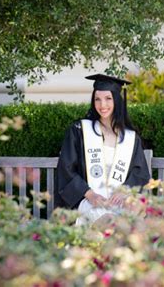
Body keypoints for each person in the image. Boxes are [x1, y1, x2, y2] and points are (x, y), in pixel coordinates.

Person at [54, 73, 150, 225]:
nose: (102, 105)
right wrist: (90, 194)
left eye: (108, 98)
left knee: (130, 215)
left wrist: (123, 191)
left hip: (118, 202)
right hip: (88, 200)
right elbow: (66, 169)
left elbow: (140, 173)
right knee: (108, 219)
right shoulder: (80, 131)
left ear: (117, 101)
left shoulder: (130, 138)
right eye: (97, 99)